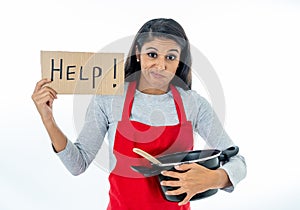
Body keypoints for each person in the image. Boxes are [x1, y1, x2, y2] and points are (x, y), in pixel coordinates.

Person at [32, 18, 246, 210]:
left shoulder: (194, 104)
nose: (160, 66)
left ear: (180, 60)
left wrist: (215, 178)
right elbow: (77, 165)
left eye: (170, 57)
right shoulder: (109, 98)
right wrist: (48, 119)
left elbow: (238, 161)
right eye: (152, 54)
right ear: (137, 51)